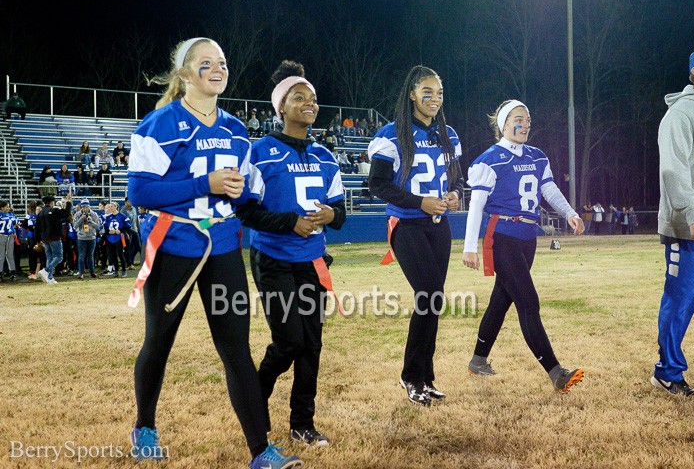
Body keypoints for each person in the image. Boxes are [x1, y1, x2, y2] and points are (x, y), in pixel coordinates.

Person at [126, 38, 301, 468]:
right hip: (174, 245)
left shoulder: (235, 129)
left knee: (236, 349)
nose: (217, 69)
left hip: (223, 244)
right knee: (159, 340)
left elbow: (240, 192)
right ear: (185, 74)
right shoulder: (159, 124)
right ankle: (144, 426)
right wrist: (204, 185)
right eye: (206, 63)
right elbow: (139, 191)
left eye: (222, 62)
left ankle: (261, 451)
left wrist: (242, 192)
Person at [236, 59, 346, 447]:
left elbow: (340, 214)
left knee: (311, 345)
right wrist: (290, 223)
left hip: (313, 261)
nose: (309, 103)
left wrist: (332, 214)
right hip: (274, 259)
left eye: (313, 98)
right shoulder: (260, 152)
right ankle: (255, 398)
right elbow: (246, 210)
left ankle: (303, 422)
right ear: (281, 107)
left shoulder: (326, 155)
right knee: (290, 341)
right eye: (299, 97)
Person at [462, 99, 585, 394]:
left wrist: (569, 212)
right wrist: (469, 246)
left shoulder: (537, 155)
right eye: (518, 119)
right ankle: (556, 372)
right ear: (503, 124)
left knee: (501, 301)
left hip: (527, 238)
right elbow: (477, 204)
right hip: (502, 235)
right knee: (528, 302)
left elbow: (548, 189)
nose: (524, 124)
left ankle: (478, 359)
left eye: (527, 119)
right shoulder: (490, 159)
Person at [368, 65, 464, 406]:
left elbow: (455, 178)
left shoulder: (448, 134)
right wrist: (419, 202)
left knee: (433, 299)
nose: (434, 99)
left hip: (438, 226)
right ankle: (411, 376)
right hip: (405, 224)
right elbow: (377, 184)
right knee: (427, 293)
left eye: (439, 93)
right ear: (412, 94)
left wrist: (453, 195)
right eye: (427, 92)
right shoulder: (392, 133)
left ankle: (426, 376)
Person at [651, 42, 694, 397]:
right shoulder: (680, 114)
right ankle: (667, 372)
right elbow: (672, 170)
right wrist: (692, 212)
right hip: (692, 230)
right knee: (679, 304)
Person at [35, 195, 68, 284]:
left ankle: (49, 277)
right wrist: (68, 202)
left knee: (49, 257)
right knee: (59, 256)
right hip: (54, 237)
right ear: (51, 203)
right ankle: (46, 270)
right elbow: (66, 213)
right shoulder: (54, 210)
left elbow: (37, 228)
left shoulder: (40, 213)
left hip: (45, 239)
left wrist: (38, 240)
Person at [73, 198, 99, 279]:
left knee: (90, 255)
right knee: (81, 255)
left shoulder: (94, 214)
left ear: (89, 206)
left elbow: (98, 226)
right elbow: (75, 226)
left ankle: (92, 272)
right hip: (81, 237)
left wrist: (91, 221)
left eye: (86, 206)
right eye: (83, 207)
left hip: (91, 237)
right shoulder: (77, 214)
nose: (85, 208)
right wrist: (81, 219)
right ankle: (81, 273)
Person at [101, 202, 129, 277]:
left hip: (118, 238)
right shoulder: (108, 217)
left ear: (116, 207)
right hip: (110, 238)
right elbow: (106, 228)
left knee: (120, 254)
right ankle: (116, 270)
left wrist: (121, 230)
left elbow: (128, 226)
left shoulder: (122, 216)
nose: (110, 208)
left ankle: (124, 270)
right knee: (112, 255)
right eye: (110, 207)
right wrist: (109, 232)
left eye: (112, 206)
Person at [0, 200, 18, 282]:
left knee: (10, 255)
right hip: (1, 235)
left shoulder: (11, 215)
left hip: (10, 236)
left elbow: (15, 225)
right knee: (1, 256)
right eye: (6, 207)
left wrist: (14, 232)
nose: (8, 208)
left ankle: (12, 273)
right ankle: (0, 274)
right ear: (2, 208)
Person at [120, 197, 141, 268]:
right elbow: (122, 221)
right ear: (125, 202)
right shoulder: (123, 210)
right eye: (129, 201)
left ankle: (130, 260)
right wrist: (125, 232)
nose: (130, 203)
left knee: (137, 246)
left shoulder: (134, 209)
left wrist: (138, 228)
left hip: (135, 229)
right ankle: (129, 263)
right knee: (128, 247)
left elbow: (136, 219)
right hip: (128, 230)